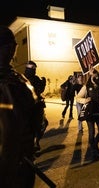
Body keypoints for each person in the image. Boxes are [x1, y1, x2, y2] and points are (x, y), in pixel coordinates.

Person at [0, 26, 38, 187]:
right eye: (12, 46)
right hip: (17, 165)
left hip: (18, 164)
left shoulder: (21, 82)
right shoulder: (21, 83)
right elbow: (36, 122)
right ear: (10, 49)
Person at [76, 75, 99, 163]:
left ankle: (93, 145)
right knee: (91, 132)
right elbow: (77, 98)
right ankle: (93, 152)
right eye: (93, 77)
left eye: (96, 77)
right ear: (90, 78)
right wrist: (85, 100)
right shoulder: (86, 86)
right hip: (90, 112)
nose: (95, 79)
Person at [24, 60, 47, 151]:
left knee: (41, 125)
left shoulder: (22, 78)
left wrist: (43, 83)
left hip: (30, 108)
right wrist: (43, 83)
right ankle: (35, 143)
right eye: (33, 69)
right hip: (33, 108)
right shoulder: (30, 79)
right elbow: (39, 90)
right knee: (39, 126)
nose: (34, 70)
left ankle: (35, 143)